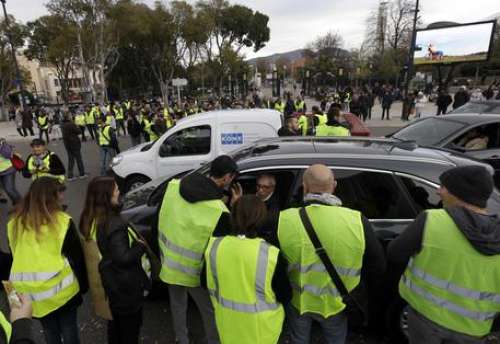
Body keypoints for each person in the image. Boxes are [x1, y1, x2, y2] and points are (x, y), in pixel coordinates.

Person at [387, 166, 500, 344]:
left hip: (426, 319)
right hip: (474, 330)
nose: (438, 191)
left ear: (459, 193)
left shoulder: (432, 220)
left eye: (443, 186)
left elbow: (395, 253)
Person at [278, 164, 386, 344]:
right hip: (338, 304)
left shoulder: (284, 219)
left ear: (304, 187)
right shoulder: (357, 220)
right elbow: (378, 266)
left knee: (299, 338)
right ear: (334, 186)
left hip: (299, 301)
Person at [157, 155, 242, 344]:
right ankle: (213, 340)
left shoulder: (174, 186)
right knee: (208, 309)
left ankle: (182, 338)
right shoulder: (219, 211)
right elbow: (226, 244)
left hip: (170, 262)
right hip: (194, 272)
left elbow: (161, 216)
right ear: (227, 177)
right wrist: (234, 208)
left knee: (177, 303)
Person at [7, 177, 88, 344]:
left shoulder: (14, 223)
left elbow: (15, 254)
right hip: (62, 292)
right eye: (60, 193)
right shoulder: (62, 221)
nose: (62, 197)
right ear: (51, 196)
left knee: (50, 332)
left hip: (30, 294)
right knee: (69, 330)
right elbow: (77, 258)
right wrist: (84, 287)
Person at [205, 195, 287, 344]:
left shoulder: (214, 247)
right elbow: (284, 295)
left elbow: (205, 282)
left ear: (233, 215)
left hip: (227, 325)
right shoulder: (271, 254)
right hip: (261, 332)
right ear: (261, 219)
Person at [79, 177, 150, 344]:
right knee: (129, 331)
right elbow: (123, 258)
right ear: (106, 196)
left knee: (115, 326)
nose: (119, 192)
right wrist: (140, 246)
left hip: (109, 283)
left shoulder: (89, 218)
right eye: (116, 189)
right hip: (125, 287)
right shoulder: (115, 223)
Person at [60, 115, 87, 181]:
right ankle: (82, 174)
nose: (72, 117)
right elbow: (79, 131)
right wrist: (76, 125)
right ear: (68, 118)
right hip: (74, 143)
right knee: (79, 159)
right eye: (71, 116)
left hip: (67, 143)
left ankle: (70, 175)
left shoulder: (62, 124)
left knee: (71, 159)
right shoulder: (71, 124)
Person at [256, 174, 280, 246]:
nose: (260, 190)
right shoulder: (248, 194)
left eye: (265, 187)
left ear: (272, 188)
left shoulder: (275, 206)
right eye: (258, 186)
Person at [0, 138, 22, 205]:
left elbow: (8, 154)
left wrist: (1, 145)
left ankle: (21, 205)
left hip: (8, 170)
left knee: (9, 189)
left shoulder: (3, 145)